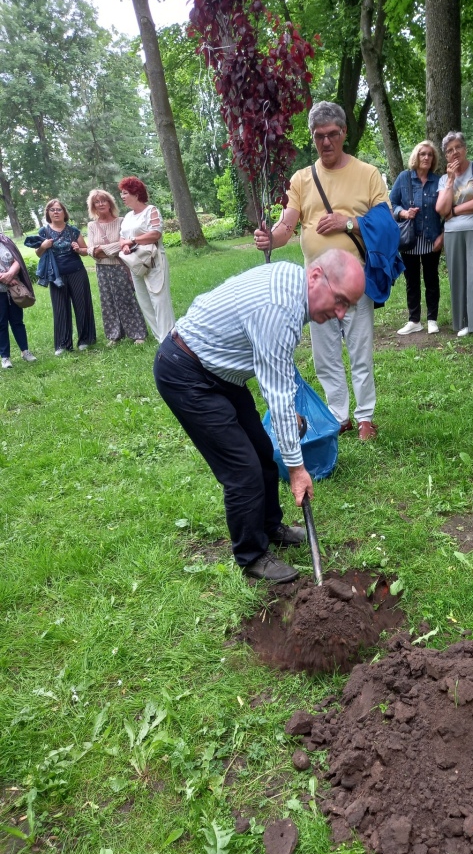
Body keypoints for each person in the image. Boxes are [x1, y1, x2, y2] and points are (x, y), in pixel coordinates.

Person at [153, 249, 366, 584]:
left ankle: (269, 527)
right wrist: (297, 470)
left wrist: (288, 421)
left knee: (263, 454)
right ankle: (252, 557)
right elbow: (277, 395)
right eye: (339, 300)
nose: (340, 313)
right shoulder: (279, 308)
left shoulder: (293, 288)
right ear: (315, 277)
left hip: (221, 373)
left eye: (347, 306)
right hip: (186, 373)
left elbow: (276, 373)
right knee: (242, 469)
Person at [253, 100, 389, 441]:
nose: (325, 143)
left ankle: (365, 417)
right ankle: (338, 415)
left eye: (332, 134)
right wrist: (271, 237)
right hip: (316, 287)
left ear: (344, 134)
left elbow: (387, 225)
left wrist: (350, 222)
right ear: (312, 138)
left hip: (355, 281)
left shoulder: (368, 174)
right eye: (318, 136)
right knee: (324, 355)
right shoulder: (302, 179)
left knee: (360, 350)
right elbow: (287, 226)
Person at [435, 132, 473, 340]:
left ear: (465, 148)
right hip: (453, 233)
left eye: (458, 147)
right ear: (446, 156)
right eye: (450, 150)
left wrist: (455, 211)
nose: (455, 152)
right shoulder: (444, 179)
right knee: (458, 277)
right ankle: (465, 322)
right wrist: (450, 180)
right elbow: (441, 209)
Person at [390, 141, 444, 335]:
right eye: (422, 154)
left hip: (431, 238)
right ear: (416, 156)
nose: (426, 157)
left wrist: (442, 236)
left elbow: (447, 210)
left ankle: (432, 319)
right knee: (411, 280)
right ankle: (414, 320)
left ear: (433, 159)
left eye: (430, 154)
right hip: (409, 238)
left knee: (431, 279)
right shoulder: (404, 178)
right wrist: (403, 213)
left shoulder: (439, 181)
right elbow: (392, 203)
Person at [86, 189, 147, 346]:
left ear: (110, 203)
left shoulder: (121, 221)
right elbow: (91, 250)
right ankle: (114, 335)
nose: (101, 204)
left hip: (120, 267)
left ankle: (138, 333)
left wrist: (103, 249)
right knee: (108, 302)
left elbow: (124, 244)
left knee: (127, 299)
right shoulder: (92, 225)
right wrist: (108, 249)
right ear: (93, 206)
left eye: (103, 200)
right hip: (102, 270)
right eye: (97, 202)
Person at [35, 199, 97, 355]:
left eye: (58, 209)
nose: (56, 212)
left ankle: (85, 339)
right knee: (60, 308)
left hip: (76, 271)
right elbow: (38, 253)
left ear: (64, 212)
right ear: (48, 214)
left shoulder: (73, 231)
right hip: (56, 275)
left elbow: (85, 250)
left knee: (81, 305)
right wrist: (43, 246)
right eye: (52, 210)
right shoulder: (44, 232)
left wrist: (78, 248)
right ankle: (63, 344)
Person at [118, 177, 175, 342]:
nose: (122, 196)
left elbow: (155, 234)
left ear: (136, 193)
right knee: (144, 300)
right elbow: (122, 238)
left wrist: (133, 241)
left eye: (125, 193)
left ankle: (169, 338)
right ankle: (160, 337)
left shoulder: (151, 211)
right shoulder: (127, 216)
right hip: (135, 262)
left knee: (159, 299)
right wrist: (125, 246)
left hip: (154, 260)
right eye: (121, 193)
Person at [0, 233, 37, 369]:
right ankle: (5, 357)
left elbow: (17, 260)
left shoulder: (5, 240)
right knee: (1, 324)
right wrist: (5, 278)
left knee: (17, 321)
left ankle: (25, 351)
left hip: (14, 290)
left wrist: (10, 274)